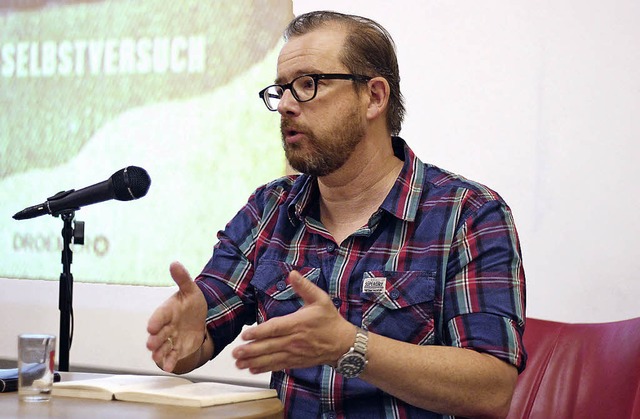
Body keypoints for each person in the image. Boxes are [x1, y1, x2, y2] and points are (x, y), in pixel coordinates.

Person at [146, 10, 526, 418]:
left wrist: (350, 345)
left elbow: (492, 388)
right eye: (281, 90)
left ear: (374, 97)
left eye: (308, 84)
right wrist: (186, 338)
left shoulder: (468, 214)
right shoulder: (269, 209)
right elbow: (202, 327)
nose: (287, 105)